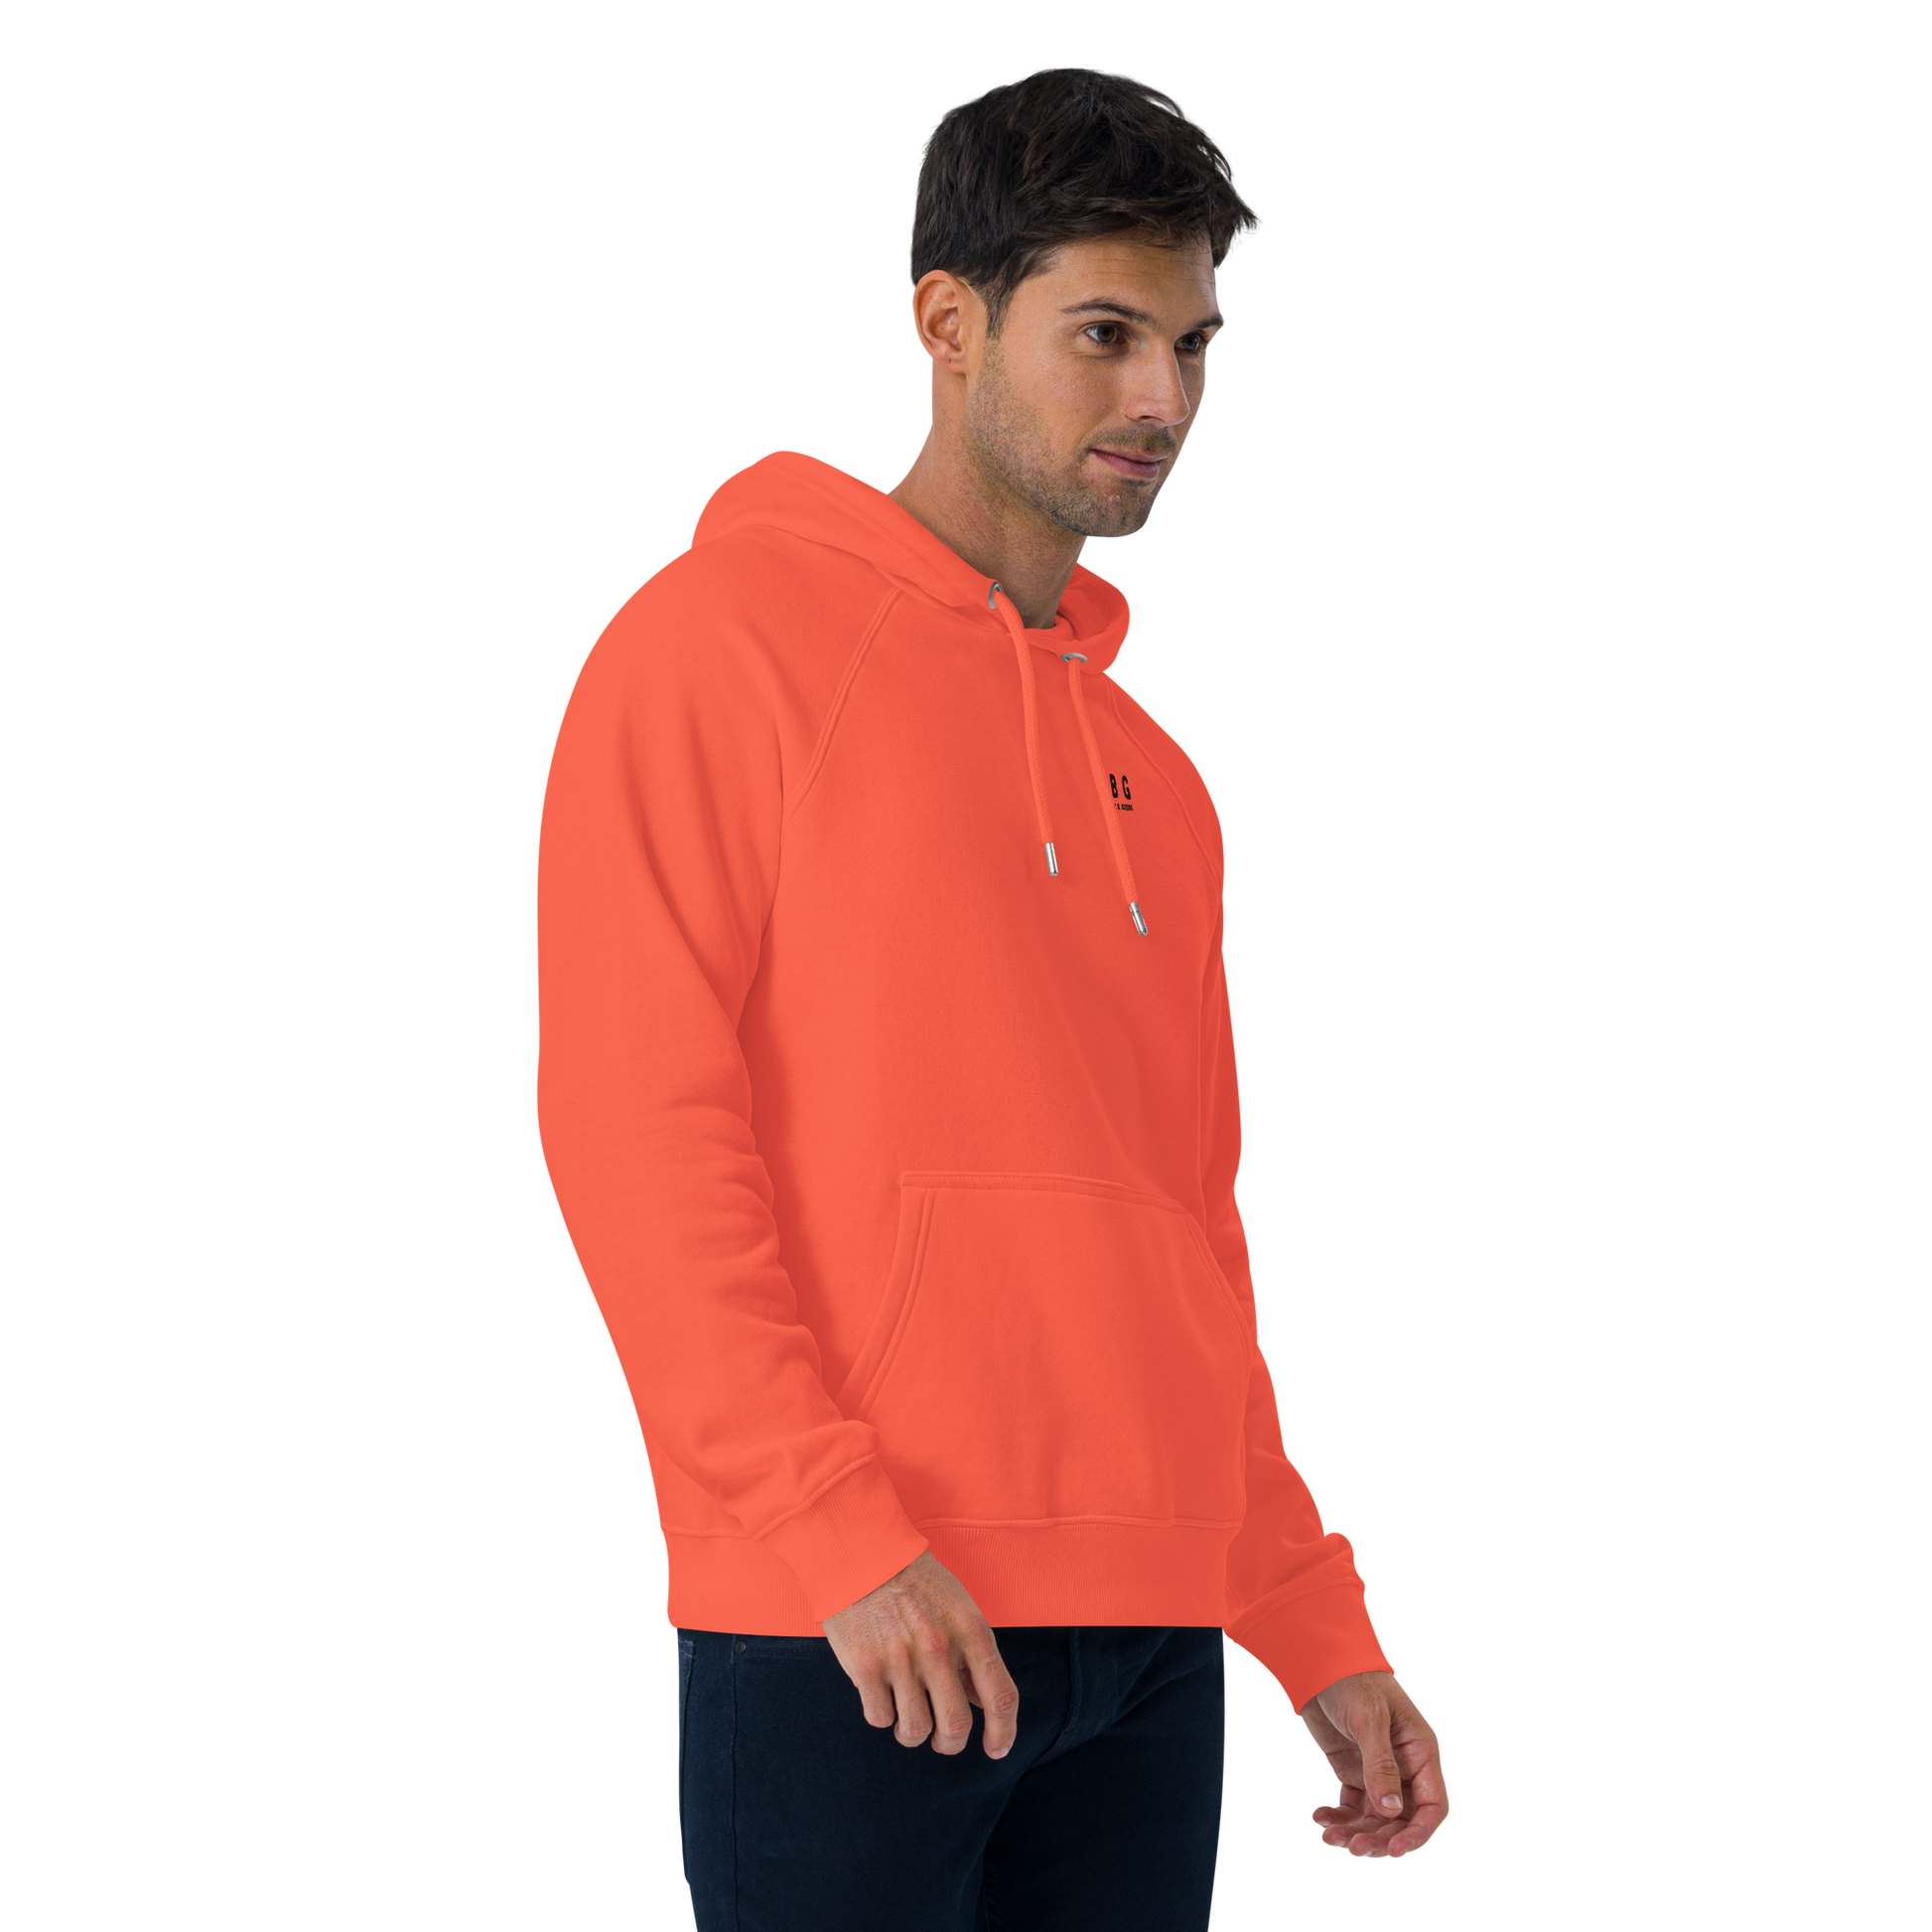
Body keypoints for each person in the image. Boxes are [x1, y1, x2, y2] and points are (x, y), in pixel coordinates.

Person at [535, 60, 1451, 1929]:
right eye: (1103, 333)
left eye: (1192, 345)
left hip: (1157, 1628)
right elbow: (635, 1123)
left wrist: (1303, 1607)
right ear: (946, 322)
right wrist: (827, 1529)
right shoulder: (713, 646)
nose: (1159, 398)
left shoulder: (1159, 779)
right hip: (859, 1617)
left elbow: (1191, 1226)